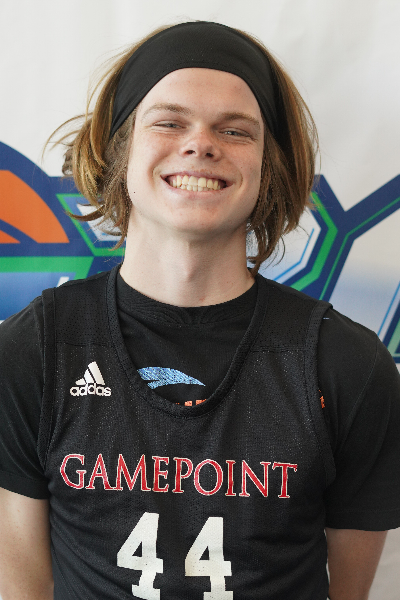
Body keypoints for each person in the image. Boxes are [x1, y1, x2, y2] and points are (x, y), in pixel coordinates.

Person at [0, 20, 399, 600]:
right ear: (119, 149)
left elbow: (349, 592)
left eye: (235, 130)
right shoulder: (33, 351)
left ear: (269, 166)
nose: (201, 144)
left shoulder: (346, 366)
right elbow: (22, 587)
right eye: (169, 122)